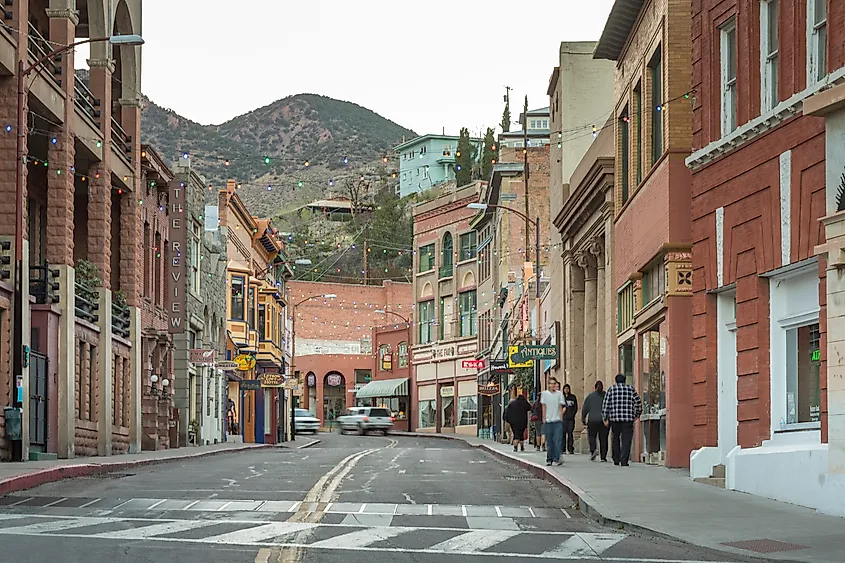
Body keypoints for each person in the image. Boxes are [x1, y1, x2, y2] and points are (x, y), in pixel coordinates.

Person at [602, 373, 643, 466]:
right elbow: (638, 403)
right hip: (628, 419)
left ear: (616, 380)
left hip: (615, 419)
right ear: (625, 380)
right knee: (626, 439)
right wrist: (636, 414)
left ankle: (616, 459)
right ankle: (624, 460)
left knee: (615, 438)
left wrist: (605, 418)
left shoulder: (611, 389)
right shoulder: (631, 389)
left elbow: (606, 404)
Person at [540, 377, 566, 466]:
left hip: (557, 420)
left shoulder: (559, 394)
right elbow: (543, 406)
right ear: (548, 385)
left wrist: (561, 417)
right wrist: (544, 417)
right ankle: (549, 459)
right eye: (551, 384)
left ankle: (557, 457)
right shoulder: (544, 394)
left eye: (554, 384)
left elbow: (560, 406)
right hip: (548, 420)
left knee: (558, 440)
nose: (552, 385)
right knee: (550, 441)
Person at [582, 380, 609, 462]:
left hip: (592, 420)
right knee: (603, 439)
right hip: (603, 420)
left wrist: (583, 419)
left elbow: (585, 408)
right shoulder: (606, 396)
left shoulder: (590, 396)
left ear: (595, 387)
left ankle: (593, 450)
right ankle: (603, 457)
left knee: (592, 437)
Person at [561, 384, 578, 454]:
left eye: (567, 388)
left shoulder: (573, 397)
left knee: (570, 433)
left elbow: (575, 407)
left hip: (570, 418)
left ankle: (570, 448)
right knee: (563, 433)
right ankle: (563, 449)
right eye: (565, 389)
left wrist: (572, 414)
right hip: (563, 418)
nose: (566, 390)